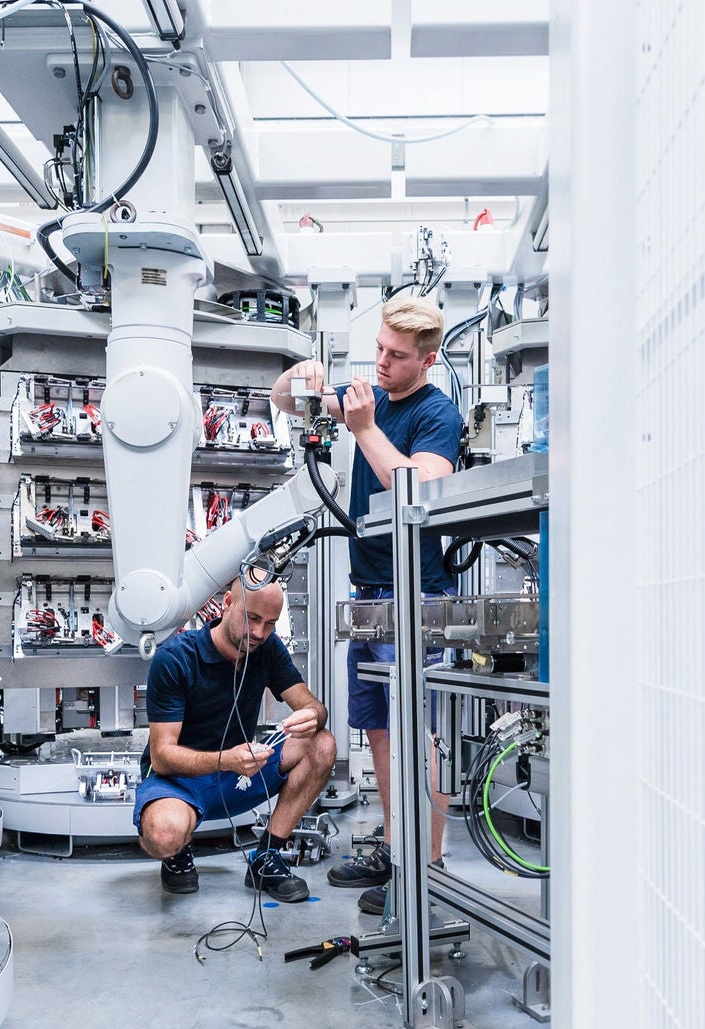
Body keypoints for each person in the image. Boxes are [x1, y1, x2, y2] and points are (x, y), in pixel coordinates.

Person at [271, 293, 463, 915]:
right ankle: (396, 848)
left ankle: (426, 867)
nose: (381, 362)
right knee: (380, 729)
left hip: (418, 593)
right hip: (371, 592)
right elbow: (284, 400)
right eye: (379, 348)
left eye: (396, 355)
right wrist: (302, 375)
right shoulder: (370, 397)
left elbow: (416, 488)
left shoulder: (437, 414)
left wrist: (365, 429)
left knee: (419, 736)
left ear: (427, 360)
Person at [133, 580, 337, 903]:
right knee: (163, 834)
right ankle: (177, 853)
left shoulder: (267, 648)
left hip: (238, 773)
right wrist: (226, 759)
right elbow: (162, 756)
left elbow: (311, 705)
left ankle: (266, 857)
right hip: (180, 781)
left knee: (322, 744)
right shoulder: (175, 658)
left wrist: (313, 715)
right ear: (227, 603)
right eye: (252, 618)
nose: (259, 632)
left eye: (269, 624)